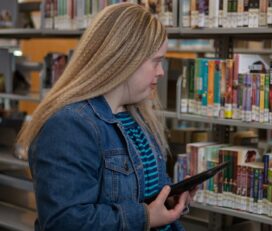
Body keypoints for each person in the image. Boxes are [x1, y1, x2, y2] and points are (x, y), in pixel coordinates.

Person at [17, 3, 194, 231]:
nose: (161, 72)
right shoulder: (69, 126)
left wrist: (170, 198)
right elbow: (64, 222)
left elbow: (140, 189)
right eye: (156, 61)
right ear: (124, 59)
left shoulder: (137, 115)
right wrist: (146, 217)